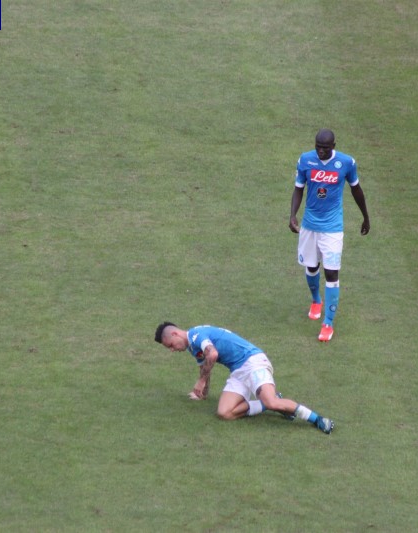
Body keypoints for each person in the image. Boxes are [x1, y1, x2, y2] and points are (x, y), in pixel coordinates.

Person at [154, 322, 335, 434]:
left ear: (175, 334)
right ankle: (264, 404)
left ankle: (317, 419)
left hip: (253, 362)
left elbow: (213, 354)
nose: (172, 349)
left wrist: (201, 381)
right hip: (238, 371)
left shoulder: (196, 335)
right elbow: (204, 367)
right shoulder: (192, 347)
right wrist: (202, 393)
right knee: (224, 413)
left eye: (170, 345)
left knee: (272, 401)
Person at [289, 128, 370, 342]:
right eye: (318, 147)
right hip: (309, 225)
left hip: (333, 228)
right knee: (311, 267)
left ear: (333, 146)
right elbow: (298, 189)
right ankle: (316, 300)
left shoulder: (346, 163)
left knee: (332, 273)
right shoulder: (305, 160)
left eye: (325, 148)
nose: (321, 151)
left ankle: (328, 323)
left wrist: (366, 217)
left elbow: (356, 190)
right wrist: (293, 215)